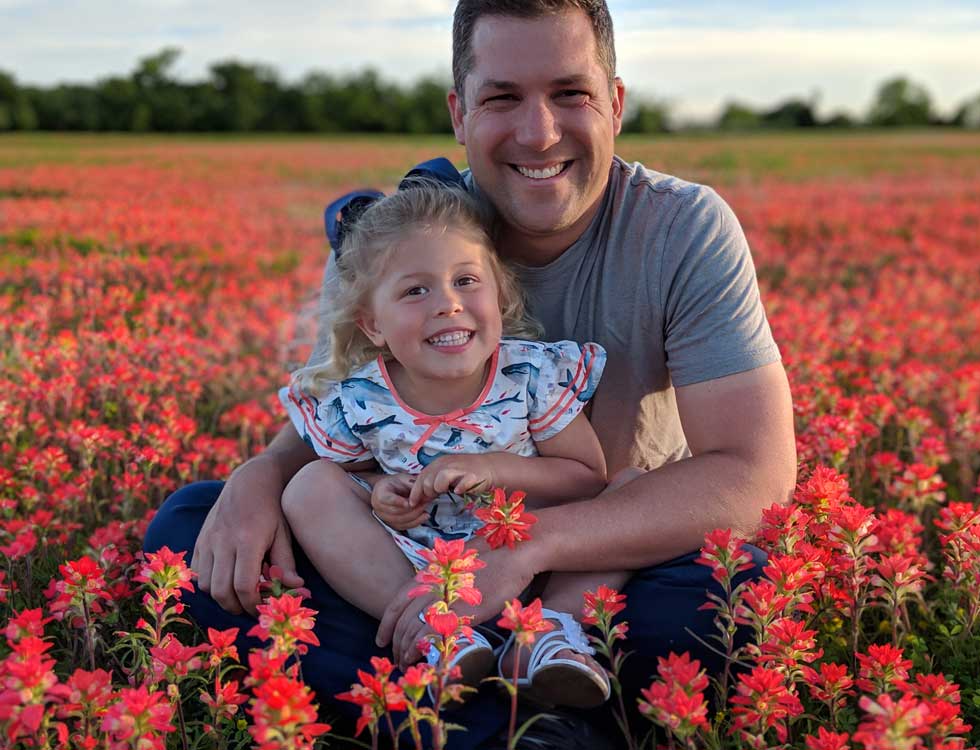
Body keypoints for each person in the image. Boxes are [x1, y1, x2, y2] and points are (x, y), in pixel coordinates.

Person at [144, 0, 796, 746]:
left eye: (570, 93)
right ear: (459, 112)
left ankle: (446, 712)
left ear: (615, 102)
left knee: (727, 589)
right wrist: (256, 481)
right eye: (502, 97)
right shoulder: (405, 231)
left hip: (604, 563)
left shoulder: (683, 227)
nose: (538, 131)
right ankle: (539, 717)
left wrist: (525, 549)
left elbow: (755, 474)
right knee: (193, 532)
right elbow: (347, 418)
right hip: (414, 558)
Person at [279, 181, 618, 709]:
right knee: (308, 487)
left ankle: (550, 633)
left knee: (632, 489)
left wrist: (493, 468)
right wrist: (379, 491)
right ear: (373, 324)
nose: (448, 305)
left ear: (499, 296)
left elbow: (588, 478)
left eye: (466, 280)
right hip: (418, 562)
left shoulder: (529, 375)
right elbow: (353, 478)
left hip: (539, 557)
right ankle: (439, 631)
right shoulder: (362, 399)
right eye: (416, 291)